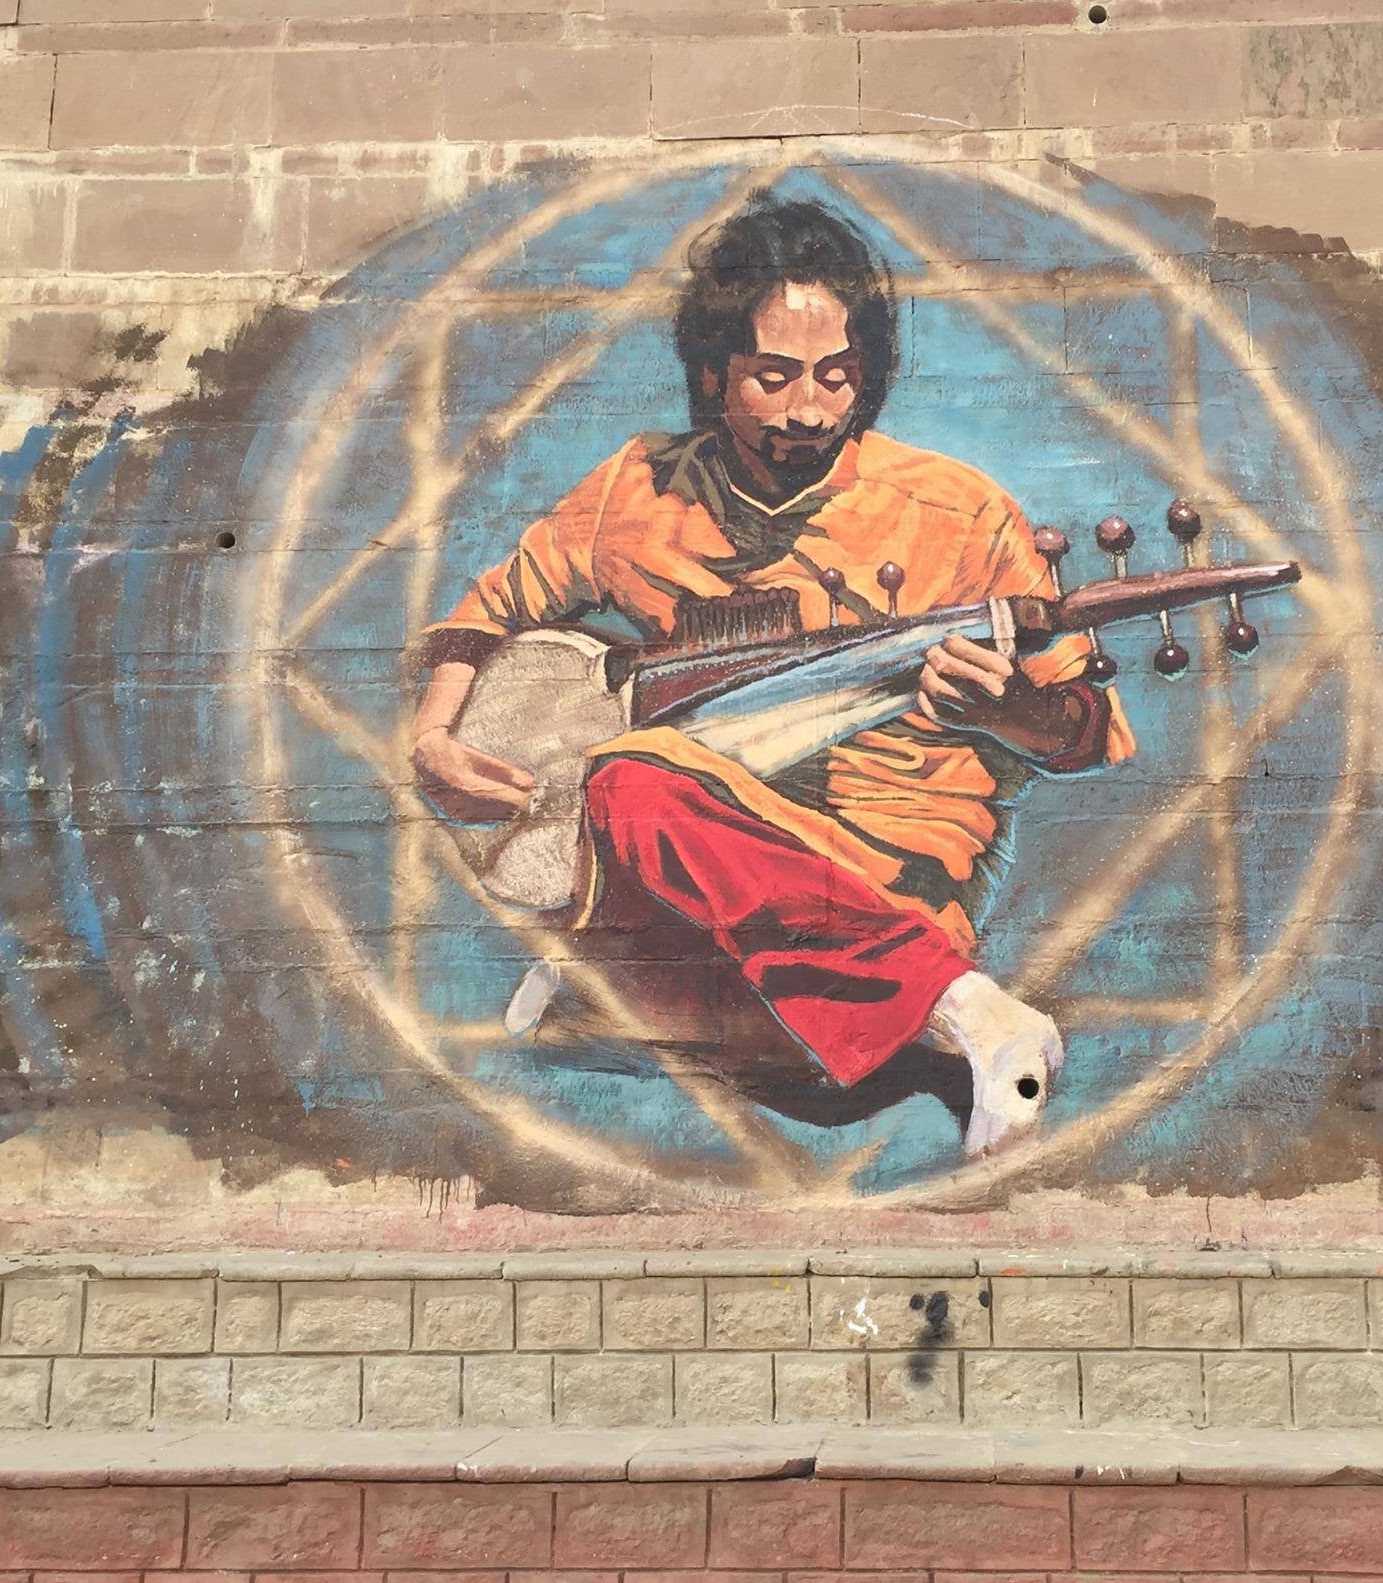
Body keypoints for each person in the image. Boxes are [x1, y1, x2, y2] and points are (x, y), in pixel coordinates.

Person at [408, 194, 1132, 1158]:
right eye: (774, 376)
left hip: (882, 885)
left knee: (629, 784)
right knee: (619, 875)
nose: (810, 409)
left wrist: (1013, 708)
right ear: (714, 373)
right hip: (704, 888)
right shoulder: (640, 490)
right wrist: (435, 738)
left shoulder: (956, 512)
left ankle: (971, 1013)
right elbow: (486, 611)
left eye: (838, 376)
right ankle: (846, 1006)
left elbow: (1085, 728)